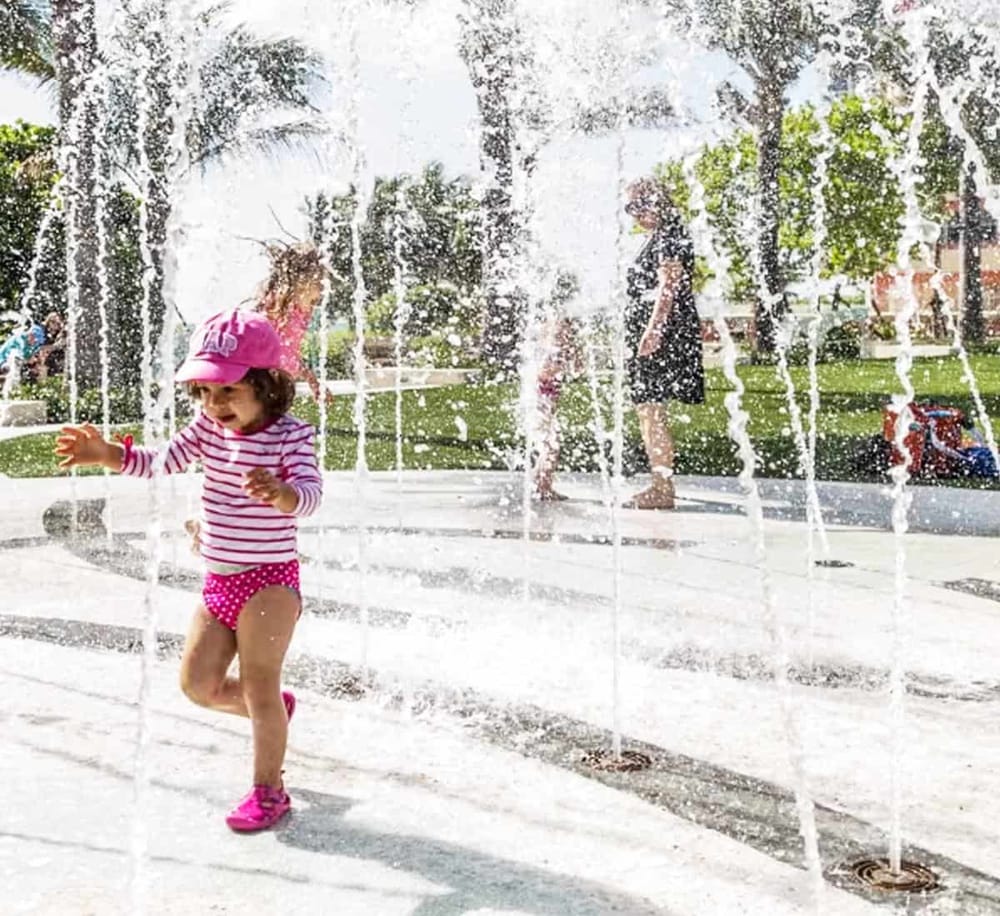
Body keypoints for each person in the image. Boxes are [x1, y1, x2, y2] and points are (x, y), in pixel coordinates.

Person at [54, 309, 323, 832]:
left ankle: (269, 790)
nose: (213, 404)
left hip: (269, 581)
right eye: (204, 392)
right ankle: (274, 716)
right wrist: (104, 453)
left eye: (227, 390)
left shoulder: (292, 436)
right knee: (199, 686)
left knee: (258, 684)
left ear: (266, 385)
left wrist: (283, 493)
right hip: (218, 581)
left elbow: (311, 497)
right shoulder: (206, 428)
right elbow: (158, 461)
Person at [622, 177, 704, 509]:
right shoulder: (661, 235)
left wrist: (653, 330)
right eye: (628, 208)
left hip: (662, 330)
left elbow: (669, 284)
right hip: (657, 327)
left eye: (635, 206)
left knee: (650, 407)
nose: (632, 215)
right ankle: (660, 483)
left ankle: (662, 488)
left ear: (653, 201)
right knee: (648, 408)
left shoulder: (670, 233)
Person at [255, 241, 330, 403]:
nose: (323, 289)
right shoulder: (274, 308)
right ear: (301, 282)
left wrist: (313, 381)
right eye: (319, 283)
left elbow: (290, 353)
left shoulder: (301, 313)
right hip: (260, 383)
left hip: (279, 384)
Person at [531, 312, 581, 501]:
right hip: (540, 405)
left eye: (567, 332)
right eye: (560, 332)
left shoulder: (557, 352)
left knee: (549, 445)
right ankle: (543, 486)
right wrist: (560, 364)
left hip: (547, 405)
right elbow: (543, 375)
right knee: (551, 446)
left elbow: (578, 370)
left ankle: (540, 484)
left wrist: (573, 352)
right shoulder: (545, 353)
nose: (564, 336)